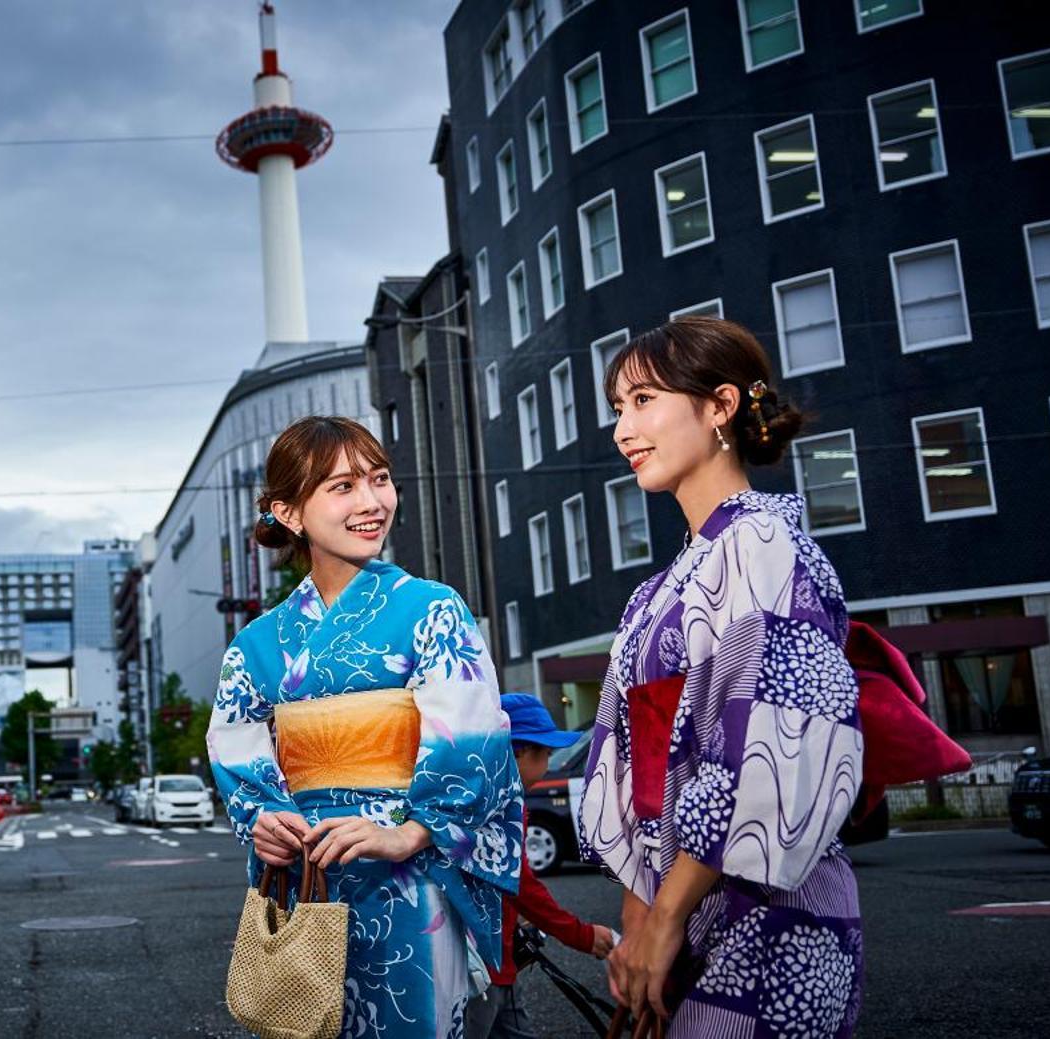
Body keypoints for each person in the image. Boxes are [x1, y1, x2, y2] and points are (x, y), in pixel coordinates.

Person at [581, 317, 864, 1035]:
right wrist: (640, 913)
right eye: (618, 408)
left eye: (643, 400)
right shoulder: (661, 586)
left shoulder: (764, 543)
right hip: (682, 900)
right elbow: (633, 763)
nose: (623, 429)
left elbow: (767, 746)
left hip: (768, 908)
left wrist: (663, 911)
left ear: (720, 406)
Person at [208, 415, 522, 1037]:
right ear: (289, 513)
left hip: (411, 875)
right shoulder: (256, 644)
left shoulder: (431, 609)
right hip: (313, 875)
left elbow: (474, 733)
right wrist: (264, 821)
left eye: (379, 480)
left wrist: (413, 832)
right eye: (343, 487)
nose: (373, 502)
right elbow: (237, 751)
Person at [465, 693, 617, 1038]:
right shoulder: (499, 807)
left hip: (493, 957)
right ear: (517, 751)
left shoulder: (483, 796)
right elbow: (521, 883)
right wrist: (581, 934)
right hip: (484, 966)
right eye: (545, 754)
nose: (548, 763)